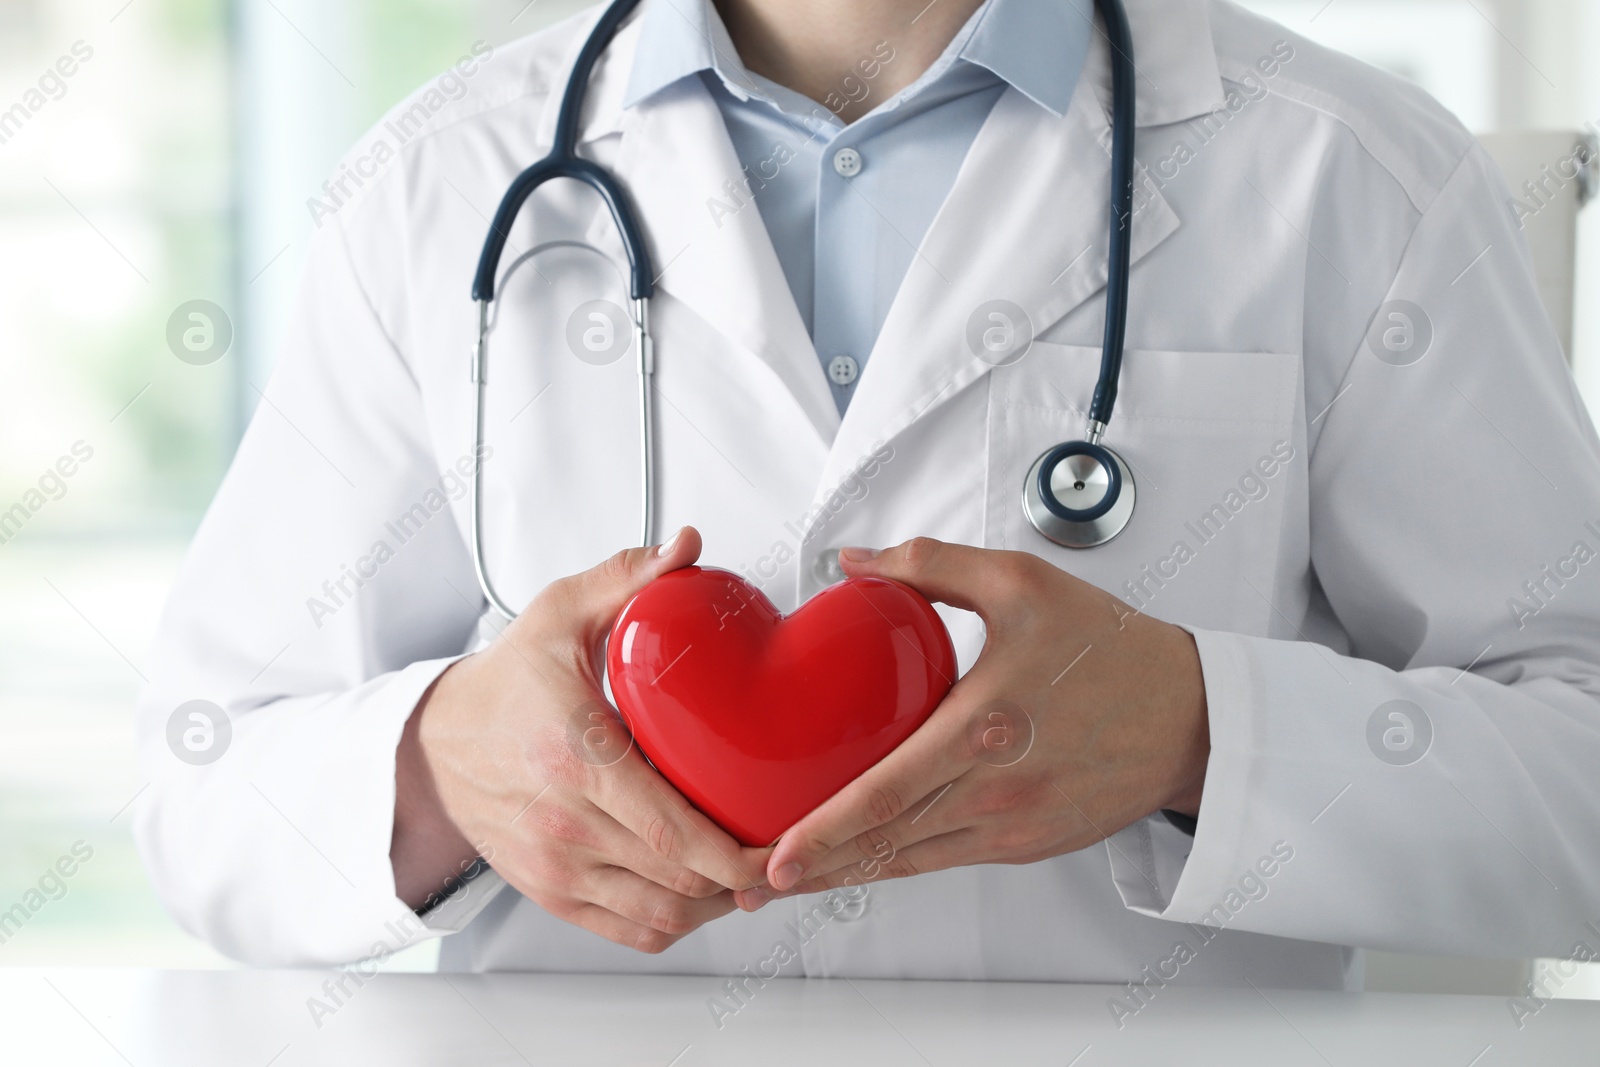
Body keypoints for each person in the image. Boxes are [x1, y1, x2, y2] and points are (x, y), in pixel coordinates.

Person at [136, 0, 1600, 991]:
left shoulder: (1350, 178)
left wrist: (1199, 735)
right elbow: (202, 785)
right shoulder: (436, 186)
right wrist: (440, 767)